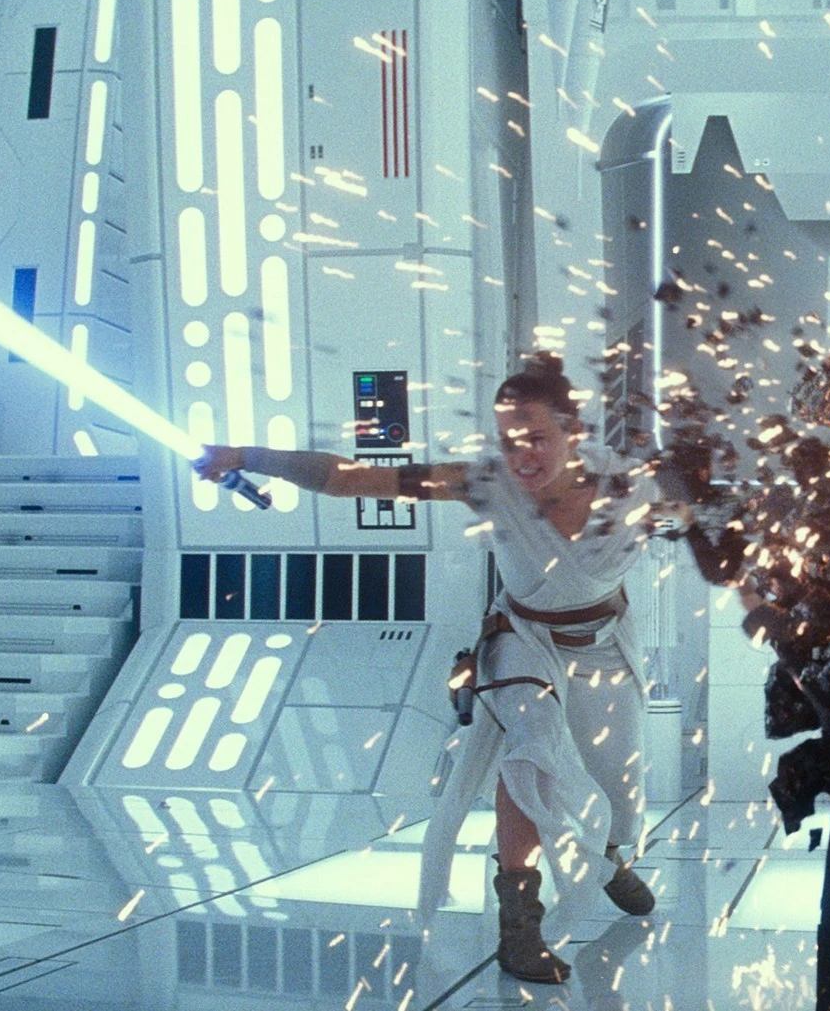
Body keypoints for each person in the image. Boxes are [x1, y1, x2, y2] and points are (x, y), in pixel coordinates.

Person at [193, 352, 661, 985]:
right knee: (530, 754)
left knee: (616, 783)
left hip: (603, 643)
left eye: (536, 439)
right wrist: (245, 455)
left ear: (574, 432)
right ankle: (519, 925)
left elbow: (716, 514)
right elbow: (352, 479)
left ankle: (606, 858)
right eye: (508, 441)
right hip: (521, 637)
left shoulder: (632, 485)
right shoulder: (485, 482)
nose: (521, 456)